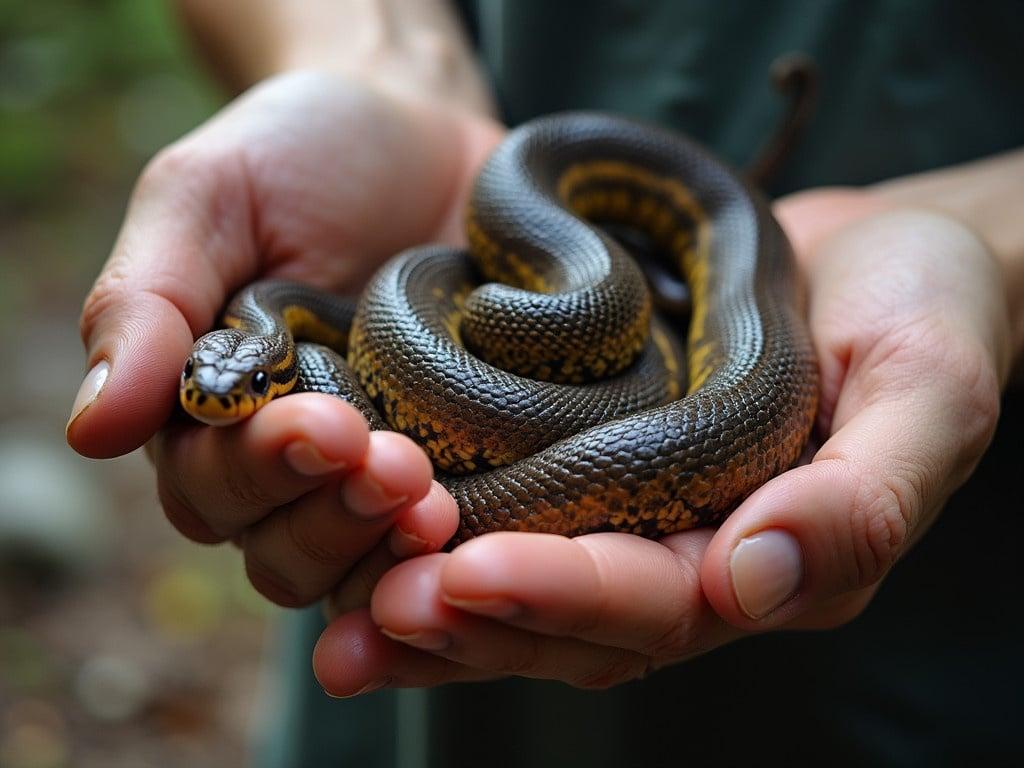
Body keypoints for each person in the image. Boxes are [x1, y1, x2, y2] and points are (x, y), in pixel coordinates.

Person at [66, 1, 1024, 765]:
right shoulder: (333, 331)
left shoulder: (423, 315)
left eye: (230, 387)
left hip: (922, 660)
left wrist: (991, 254)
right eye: (209, 383)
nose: (212, 398)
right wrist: (373, 65)